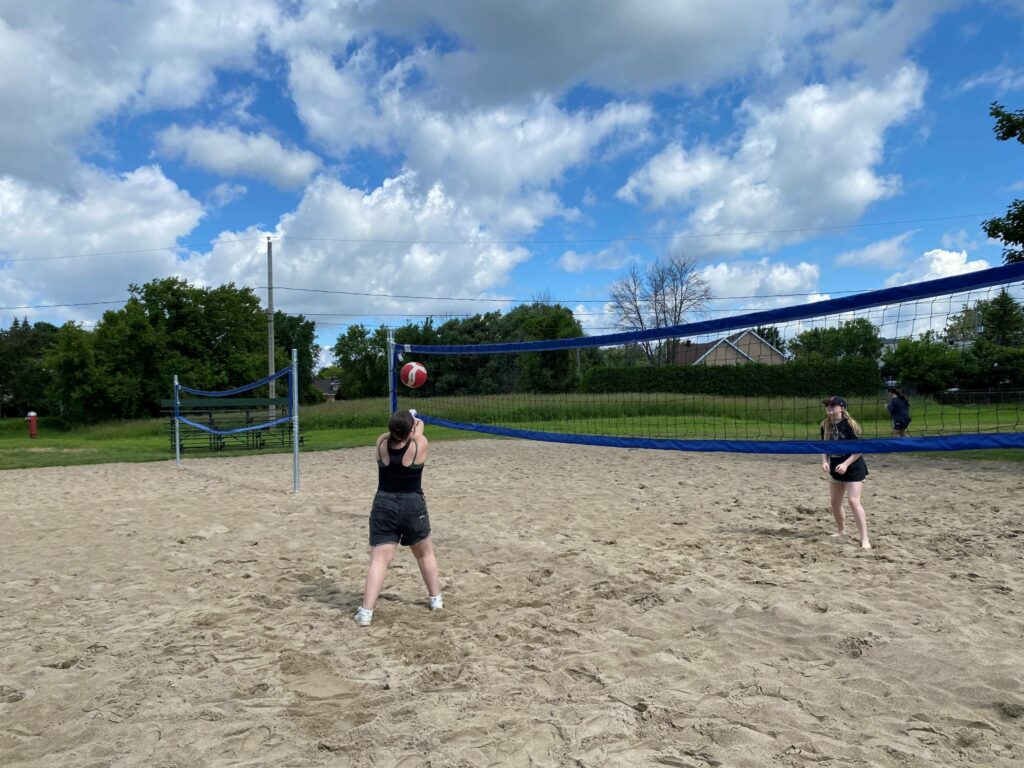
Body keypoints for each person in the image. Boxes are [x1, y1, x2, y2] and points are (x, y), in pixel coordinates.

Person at [354, 409, 442, 626]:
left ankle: (366, 613)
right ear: (410, 430)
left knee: (379, 560)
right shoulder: (418, 445)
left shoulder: (381, 443)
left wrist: (405, 423)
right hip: (412, 505)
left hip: (384, 504)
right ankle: (436, 600)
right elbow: (419, 433)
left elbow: (389, 435)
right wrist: (416, 422)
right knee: (424, 555)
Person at [819, 396, 872, 550]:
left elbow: (860, 449)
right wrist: (824, 461)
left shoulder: (850, 425)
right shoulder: (825, 425)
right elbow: (824, 446)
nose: (829, 407)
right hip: (836, 466)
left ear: (842, 408)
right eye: (827, 405)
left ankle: (865, 539)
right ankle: (841, 531)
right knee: (835, 503)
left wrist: (846, 463)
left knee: (853, 502)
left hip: (853, 466)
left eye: (833, 405)